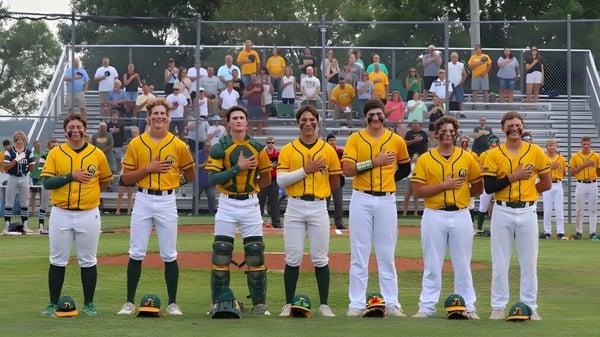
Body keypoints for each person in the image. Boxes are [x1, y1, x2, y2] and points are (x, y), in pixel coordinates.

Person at [117, 99, 196, 316]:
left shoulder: (178, 144)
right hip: (143, 198)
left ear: (168, 117)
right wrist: (148, 169)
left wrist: (173, 182)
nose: (159, 117)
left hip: (167, 200)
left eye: (163, 113)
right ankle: (129, 302)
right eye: (155, 114)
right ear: (149, 117)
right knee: (136, 252)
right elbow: (126, 178)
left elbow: (190, 174)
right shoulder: (136, 143)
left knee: (169, 253)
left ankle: (172, 303)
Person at [342, 99, 411, 317]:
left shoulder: (396, 140)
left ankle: (392, 303)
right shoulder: (356, 138)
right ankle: (356, 303)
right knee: (359, 253)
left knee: (386, 254)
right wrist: (374, 162)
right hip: (361, 197)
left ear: (384, 116)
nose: (375, 118)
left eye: (379, 114)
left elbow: (405, 167)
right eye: (371, 114)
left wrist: (388, 176)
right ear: (365, 117)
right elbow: (348, 169)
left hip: (386, 199)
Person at [40, 114, 113, 316]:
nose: (75, 130)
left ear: (84, 130)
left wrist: (91, 194)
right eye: (71, 127)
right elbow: (46, 182)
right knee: (57, 259)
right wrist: (71, 176)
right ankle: (52, 303)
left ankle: (89, 303)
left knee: (88, 260)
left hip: (88, 213)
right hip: (61, 212)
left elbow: (105, 180)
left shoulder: (96, 154)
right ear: (65, 131)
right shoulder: (56, 153)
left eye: (78, 127)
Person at [411, 116, 483, 319]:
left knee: (463, 263)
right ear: (436, 134)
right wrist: (444, 186)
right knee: (432, 263)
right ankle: (427, 307)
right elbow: (417, 191)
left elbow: (478, 185)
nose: (447, 134)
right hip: (434, 213)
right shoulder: (426, 158)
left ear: (456, 134)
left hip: (460, 213)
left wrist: (462, 194)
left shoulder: (467, 157)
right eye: (443, 131)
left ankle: (468, 306)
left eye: (451, 131)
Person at [482, 111, 551, 321]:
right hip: (502, 209)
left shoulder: (536, 151)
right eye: (510, 125)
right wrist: (515, 177)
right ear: (503, 128)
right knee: (500, 260)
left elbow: (546, 183)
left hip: (527, 210)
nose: (514, 128)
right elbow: (489, 186)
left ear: (522, 127)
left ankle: (530, 306)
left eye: (517, 125)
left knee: (529, 261)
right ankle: (498, 306)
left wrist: (528, 190)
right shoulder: (494, 154)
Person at [205, 105, 272, 315]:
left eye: (242, 117)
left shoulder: (258, 148)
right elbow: (212, 178)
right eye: (234, 118)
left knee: (255, 252)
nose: (239, 121)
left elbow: (267, 176)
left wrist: (252, 188)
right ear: (228, 123)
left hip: (250, 203)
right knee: (222, 251)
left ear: (246, 122)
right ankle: (218, 302)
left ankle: (259, 304)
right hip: (227, 202)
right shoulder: (219, 147)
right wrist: (238, 168)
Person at [276, 105, 342, 318]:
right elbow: (281, 180)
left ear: (317, 122)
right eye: (303, 120)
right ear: (298, 123)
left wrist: (321, 193)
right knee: (293, 257)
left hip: (318, 205)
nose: (307, 123)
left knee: (320, 257)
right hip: (294, 204)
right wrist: (306, 170)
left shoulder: (328, 150)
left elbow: (335, 180)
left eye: (311, 119)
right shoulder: (288, 149)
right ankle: (287, 303)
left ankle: (324, 304)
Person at [2, 131, 35, 234]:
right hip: (12, 177)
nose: (19, 139)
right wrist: (15, 161)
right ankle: (6, 226)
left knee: (24, 202)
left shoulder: (28, 152)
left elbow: (32, 166)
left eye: (21, 138)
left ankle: (25, 225)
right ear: (14, 140)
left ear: (24, 139)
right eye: (17, 138)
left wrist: (26, 171)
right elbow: (5, 166)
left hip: (24, 177)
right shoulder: (9, 152)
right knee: (9, 201)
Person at [568, 136, 600, 240]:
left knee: (593, 209)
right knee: (579, 209)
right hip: (580, 183)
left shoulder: (596, 156)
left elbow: (598, 173)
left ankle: (592, 233)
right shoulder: (575, 156)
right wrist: (584, 165)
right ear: (581, 144)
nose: (586, 146)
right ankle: (578, 232)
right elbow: (571, 172)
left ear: (590, 145)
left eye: (588, 144)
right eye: (584, 144)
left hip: (593, 183)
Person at [542, 139, 566, 239]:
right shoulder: (543, 158)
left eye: (553, 145)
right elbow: (542, 171)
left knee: (559, 209)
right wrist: (552, 167)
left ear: (556, 147)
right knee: (547, 209)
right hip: (548, 183)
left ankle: (560, 232)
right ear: (546, 147)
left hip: (558, 183)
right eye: (550, 145)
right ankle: (547, 231)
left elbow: (564, 172)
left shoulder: (561, 158)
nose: (551, 147)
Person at [475, 135, 499, 234]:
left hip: (499, 183)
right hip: (487, 182)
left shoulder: (501, 153)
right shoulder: (484, 154)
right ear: (489, 143)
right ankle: (479, 228)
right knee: (483, 206)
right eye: (492, 141)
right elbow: (480, 169)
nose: (494, 143)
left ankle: (497, 229)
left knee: (500, 206)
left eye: (495, 141)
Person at [258, 136, 281, 228]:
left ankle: (276, 223)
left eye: (272, 143)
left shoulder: (278, 154)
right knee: (260, 201)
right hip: (264, 178)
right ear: (266, 144)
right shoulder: (262, 154)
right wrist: (269, 166)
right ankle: (257, 222)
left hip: (274, 179)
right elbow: (259, 166)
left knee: (274, 202)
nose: (270, 144)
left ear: (274, 143)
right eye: (268, 143)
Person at [37, 138, 59, 233]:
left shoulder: (61, 156)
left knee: (57, 204)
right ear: (48, 147)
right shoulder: (44, 156)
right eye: (52, 146)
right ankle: (41, 225)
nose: (54, 148)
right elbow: (41, 169)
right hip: (48, 182)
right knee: (44, 204)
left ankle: (53, 226)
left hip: (58, 182)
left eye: (56, 146)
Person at [326, 134, 346, 230]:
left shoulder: (340, 152)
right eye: (330, 140)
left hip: (337, 178)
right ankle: (324, 222)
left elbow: (344, 162)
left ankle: (339, 222)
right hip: (326, 179)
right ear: (327, 142)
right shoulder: (324, 151)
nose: (332, 142)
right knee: (325, 202)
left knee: (338, 202)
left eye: (333, 140)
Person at [196, 142, 217, 215]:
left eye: (209, 146)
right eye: (207, 146)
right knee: (196, 197)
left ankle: (212, 213)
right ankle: (194, 213)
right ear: (204, 146)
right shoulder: (198, 154)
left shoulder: (214, 154)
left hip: (210, 181)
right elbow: (193, 165)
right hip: (199, 180)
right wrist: (202, 165)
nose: (208, 147)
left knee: (211, 197)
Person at [115, 140, 134, 215]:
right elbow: (120, 167)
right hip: (123, 175)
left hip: (130, 176)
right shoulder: (123, 156)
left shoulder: (132, 156)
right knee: (120, 194)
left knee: (130, 195)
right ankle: (118, 210)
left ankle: (129, 210)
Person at [107, 109, 126, 173]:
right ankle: (110, 173)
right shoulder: (108, 125)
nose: (114, 116)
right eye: (113, 115)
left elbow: (123, 135)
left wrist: (123, 144)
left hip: (118, 145)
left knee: (118, 160)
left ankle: (118, 173)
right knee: (110, 160)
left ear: (118, 116)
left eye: (116, 115)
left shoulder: (121, 125)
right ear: (111, 116)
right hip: (110, 146)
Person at [29, 140, 43, 215]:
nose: (39, 147)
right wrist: (39, 158)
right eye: (37, 146)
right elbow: (33, 164)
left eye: (40, 146)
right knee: (33, 193)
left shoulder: (43, 153)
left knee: (42, 194)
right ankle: (32, 211)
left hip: (41, 176)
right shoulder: (32, 154)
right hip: (33, 176)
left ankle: (41, 210)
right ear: (34, 146)